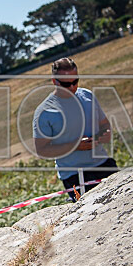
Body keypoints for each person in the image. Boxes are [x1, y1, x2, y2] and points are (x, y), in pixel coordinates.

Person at [32, 57, 116, 202]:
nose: (72, 87)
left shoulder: (87, 96)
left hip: (103, 163)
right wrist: (75, 146)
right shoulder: (44, 112)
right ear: (54, 82)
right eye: (66, 84)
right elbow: (42, 150)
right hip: (75, 176)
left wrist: (104, 135)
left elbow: (105, 125)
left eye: (75, 81)